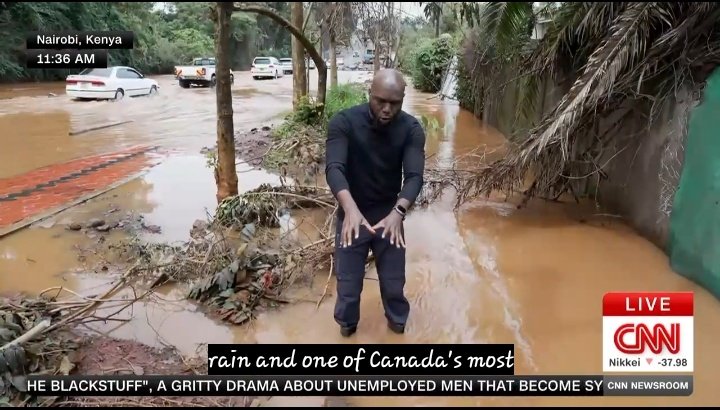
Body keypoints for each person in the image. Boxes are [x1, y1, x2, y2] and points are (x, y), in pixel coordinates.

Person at [324, 69, 426, 337]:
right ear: (369, 94)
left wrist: (398, 212)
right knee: (347, 288)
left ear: (403, 100)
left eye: (394, 103)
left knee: (394, 285)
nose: (386, 109)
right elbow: (334, 168)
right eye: (380, 101)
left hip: (389, 216)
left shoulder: (411, 129)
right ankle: (347, 330)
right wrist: (350, 210)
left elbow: (414, 177)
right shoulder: (343, 123)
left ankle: (397, 326)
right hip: (352, 215)